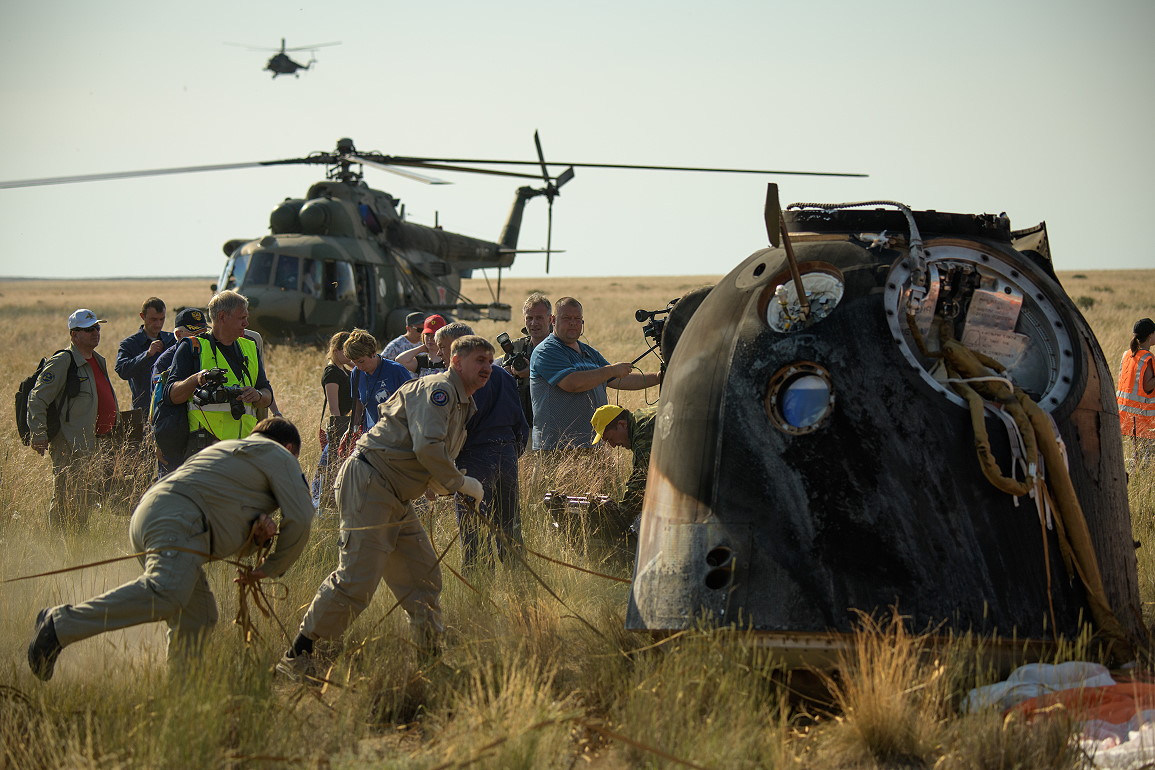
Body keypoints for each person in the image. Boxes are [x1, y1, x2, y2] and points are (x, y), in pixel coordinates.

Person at [26, 418, 314, 681]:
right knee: (167, 593)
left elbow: (225, 523)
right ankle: (60, 624)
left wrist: (259, 541)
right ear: (290, 448)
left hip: (154, 515)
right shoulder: (279, 455)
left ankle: (181, 696)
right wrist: (271, 568)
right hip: (179, 520)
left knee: (198, 616)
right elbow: (301, 517)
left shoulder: (230, 452)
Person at [277, 335, 492, 681]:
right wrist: (461, 483)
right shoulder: (440, 390)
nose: (487, 367)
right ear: (456, 362)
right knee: (357, 579)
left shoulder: (462, 402)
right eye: (479, 360)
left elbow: (424, 454)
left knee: (423, 577)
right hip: (371, 484)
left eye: (490, 361)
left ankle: (430, 662)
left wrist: (442, 483)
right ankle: (296, 657)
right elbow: (428, 448)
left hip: (394, 493)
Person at [437, 322, 529, 568]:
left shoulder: (459, 379)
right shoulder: (503, 374)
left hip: (474, 457)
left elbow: (453, 428)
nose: (439, 353)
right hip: (507, 454)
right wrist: (510, 453)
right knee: (509, 525)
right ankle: (519, 575)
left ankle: (479, 582)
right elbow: (521, 424)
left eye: (443, 346)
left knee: (473, 527)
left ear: (460, 346)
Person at [26, 309, 119, 528]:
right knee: (65, 497)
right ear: (74, 334)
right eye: (88, 329)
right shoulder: (63, 361)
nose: (95, 333)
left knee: (85, 497)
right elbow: (37, 398)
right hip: (69, 442)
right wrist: (38, 434)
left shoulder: (97, 360)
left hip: (95, 443)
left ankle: (78, 538)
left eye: (97, 327)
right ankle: (59, 541)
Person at [528, 297, 660, 450]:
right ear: (553, 320)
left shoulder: (589, 352)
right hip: (558, 447)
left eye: (577, 319)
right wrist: (611, 370)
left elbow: (617, 379)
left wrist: (658, 377)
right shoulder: (547, 351)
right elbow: (572, 383)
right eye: (567, 318)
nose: (572, 323)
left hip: (593, 444)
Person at [165, 290, 274, 460]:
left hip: (245, 446)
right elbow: (172, 395)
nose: (246, 323)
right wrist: (197, 379)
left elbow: (267, 394)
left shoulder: (250, 347)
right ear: (222, 317)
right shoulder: (193, 347)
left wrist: (258, 395)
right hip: (206, 447)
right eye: (241, 318)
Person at [150, 308, 210, 478]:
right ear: (178, 334)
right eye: (195, 333)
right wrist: (157, 441)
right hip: (174, 436)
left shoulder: (207, 352)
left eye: (204, 332)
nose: (201, 337)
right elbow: (156, 404)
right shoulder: (164, 362)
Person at [591, 403, 658, 535]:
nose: (613, 445)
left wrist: (619, 519)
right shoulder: (639, 422)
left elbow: (641, 481)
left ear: (622, 424)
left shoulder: (644, 431)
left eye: (610, 438)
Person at [312, 331, 354, 510]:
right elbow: (333, 407)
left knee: (333, 467)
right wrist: (339, 431)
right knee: (327, 468)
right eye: (346, 350)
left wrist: (349, 360)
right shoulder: (332, 373)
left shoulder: (343, 369)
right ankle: (318, 504)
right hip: (339, 426)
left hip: (346, 423)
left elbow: (360, 369)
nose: (350, 354)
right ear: (336, 350)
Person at [344, 328, 412, 434]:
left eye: (361, 361)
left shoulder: (397, 370)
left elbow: (413, 402)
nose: (359, 367)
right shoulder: (356, 373)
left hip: (397, 434)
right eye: (355, 362)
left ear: (373, 353)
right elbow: (357, 405)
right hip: (370, 435)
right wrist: (352, 428)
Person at [115, 297, 177, 413]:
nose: (158, 324)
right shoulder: (129, 344)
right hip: (143, 410)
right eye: (153, 319)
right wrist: (146, 355)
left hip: (170, 410)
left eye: (162, 319)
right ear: (142, 316)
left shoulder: (172, 341)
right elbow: (122, 371)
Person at [501, 293, 553, 429]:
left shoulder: (561, 348)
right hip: (522, 422)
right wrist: (506, 375)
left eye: (539, 318)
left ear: (550, 319)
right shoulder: (516, 347)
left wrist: (532, 373)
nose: (534, 323)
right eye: (529, 318)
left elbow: (569, 382)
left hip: (553, 421)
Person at [1117, 317, 1155, 472]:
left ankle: (1134, 476)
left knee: (1137, 454)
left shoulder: (1127, 354)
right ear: (1150, 336)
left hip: (1127, 412)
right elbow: (1148, 385)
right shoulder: (1147, 357)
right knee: (1146, 457)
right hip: (1143, 414)